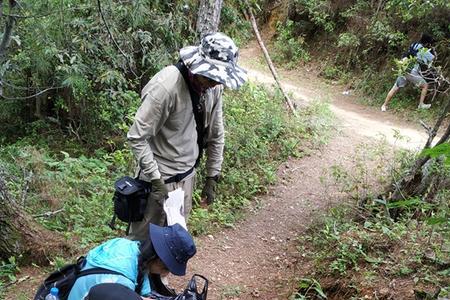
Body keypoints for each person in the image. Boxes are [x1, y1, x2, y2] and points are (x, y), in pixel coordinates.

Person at [127, 32, 247, 240]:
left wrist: (212, 176)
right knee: (142, 247)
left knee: (171, 248)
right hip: (157, 181)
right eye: (211, 77)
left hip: (186, 181)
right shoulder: (167, 86)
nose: (215, 83)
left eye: (219, 79)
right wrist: (156, 180)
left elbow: (216, 134)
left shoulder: (213, 89)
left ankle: (160, 275)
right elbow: (137, 137)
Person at [67, 223, 196, 300]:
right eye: (166, 268)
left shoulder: (128, 246)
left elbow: (143, 291)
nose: (166, 274)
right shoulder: (121, 281)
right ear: (157, 259)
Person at [381, 33, 436, 112]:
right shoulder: (423, 50)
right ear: (427, 43)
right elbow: (432, 58)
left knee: (395, 87)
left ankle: (384, 105)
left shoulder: (414, 44)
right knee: (425, 86)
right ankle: (421, 104)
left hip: (404, 68)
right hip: (411, 71)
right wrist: (431, 51)